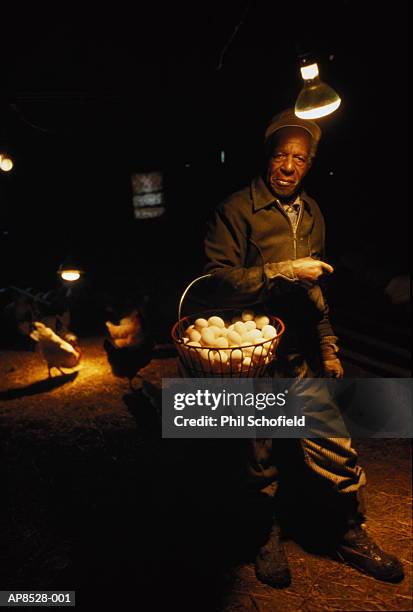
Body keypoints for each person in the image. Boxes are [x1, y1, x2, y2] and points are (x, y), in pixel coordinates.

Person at [202, 108, 404, 587]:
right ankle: (264, 534)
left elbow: (316, 291)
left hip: (300, 353)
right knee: (257, 454)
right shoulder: (236, 210)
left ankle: (348, 530)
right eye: (280, 156)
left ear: (310, 164)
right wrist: (283, 271)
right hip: (248, 355)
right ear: (267, 157)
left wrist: (328, 341)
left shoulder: (312, 214)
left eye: (299, 158)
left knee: (333, 443)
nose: (288, 167)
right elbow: (215, 284)